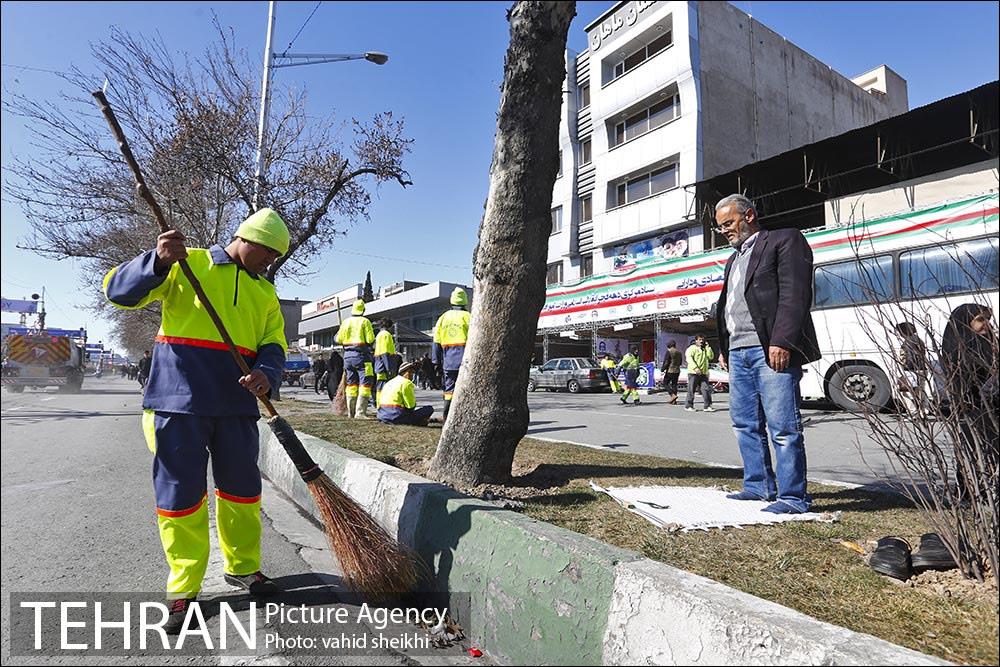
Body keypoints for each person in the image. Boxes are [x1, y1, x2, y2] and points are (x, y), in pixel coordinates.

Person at [103, 208, 289, 633]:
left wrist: (268, 373)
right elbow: (118, 292)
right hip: (176, 405)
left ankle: (243, 568)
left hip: (237, 407)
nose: (270, 263)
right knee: (180, 498)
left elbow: (273, 343)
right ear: (250, 240)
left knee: (243, 493)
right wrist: (158, 261)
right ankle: (183, 591)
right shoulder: (190, 262)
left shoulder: (265, 293)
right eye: (268, 254)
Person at [714, 194, 821, 514]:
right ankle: (758, 485)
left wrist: (782, 340)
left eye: (729, 223)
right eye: (720, 228)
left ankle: (792, 496)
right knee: (744, 423)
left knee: (783, 426)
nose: (725, 232)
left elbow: (795, 293)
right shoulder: (733, 259)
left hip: (769, 347)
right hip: (738, 351)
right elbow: (730, 307)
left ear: (749, 216)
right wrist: (725, 348)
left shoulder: (784, 240)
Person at [939, 304, 998, 500]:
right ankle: (969, 495)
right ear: (966, 322)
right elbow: (965, 377)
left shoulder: (987, 342)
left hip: (991, 408)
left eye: (988, 320)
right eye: (981, 320)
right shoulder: (958, 345)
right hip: (971, 408)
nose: (986, 325)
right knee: (972, 452)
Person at [432, 287, 471, 421]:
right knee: (466, 390)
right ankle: (463, 419)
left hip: (448, 362)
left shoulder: (443, 318)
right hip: (466, 362)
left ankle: (447, 418)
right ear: (465, 301)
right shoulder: (469, 317)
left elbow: (436, 342)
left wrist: (436, 362)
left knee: (449, 391)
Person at [336, 300, 376, 419]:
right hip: (362, 356)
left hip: (347, 357)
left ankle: (351, 412)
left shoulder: (345, 322)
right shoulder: (365, 321)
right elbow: (370, 339)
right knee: (365, 384)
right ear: (363, 310)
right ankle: (360, 413)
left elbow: (338, 339)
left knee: (351, 384)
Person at [377, 361, 435, 426]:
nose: (411, 375)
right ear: (403, 372)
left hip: (382, 415)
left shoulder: (389, 382)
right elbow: (410, 406)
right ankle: (419, 422)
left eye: (413, 372)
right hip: (396, 417)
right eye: (409, 372)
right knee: (429, 409)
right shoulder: (407, 383)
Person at [894, 322, 929, 415]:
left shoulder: (907, 343)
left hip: (912, 370)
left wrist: (905, 368)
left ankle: (913, 412)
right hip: (922, 369)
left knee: (905, 392)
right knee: (921, 391)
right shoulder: (919, 340)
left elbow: (909, 358)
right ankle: (923, 411)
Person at [684, 335, 715, 412]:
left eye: (703, 340)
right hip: (693, 373)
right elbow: (689, 359)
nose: (701, 341)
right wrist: (695, 368)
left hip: (703, 373)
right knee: (691, 389)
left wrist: (708, 347)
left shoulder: (704, 349)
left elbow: (710, 357)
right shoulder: (691, 349)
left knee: (706, 389)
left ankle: (707, 406)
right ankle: (688, 405)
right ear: (696, 341)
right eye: (700, 339)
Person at [374, 319, 398, 407]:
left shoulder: (379, 335)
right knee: (383, 387)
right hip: (384, 366)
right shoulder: (386, 335)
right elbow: (385, 353)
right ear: (389, 326)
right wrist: (389, 369)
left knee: (380, 387)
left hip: (379, 364)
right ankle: (382, 406)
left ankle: (379, 405)